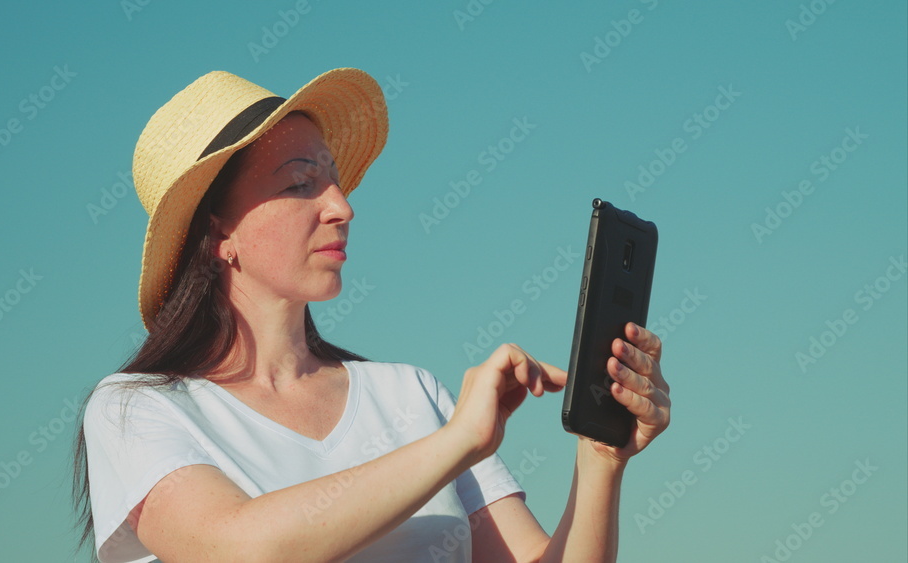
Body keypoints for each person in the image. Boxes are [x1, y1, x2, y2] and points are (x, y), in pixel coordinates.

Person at [71, 67, 671, 563]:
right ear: (218, 231)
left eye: (335, 181)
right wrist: (458, 442)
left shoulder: (411, 395)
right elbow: (239, 547)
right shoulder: (134, 409)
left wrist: (601, 456)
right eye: (300, 183)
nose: (341, 206)